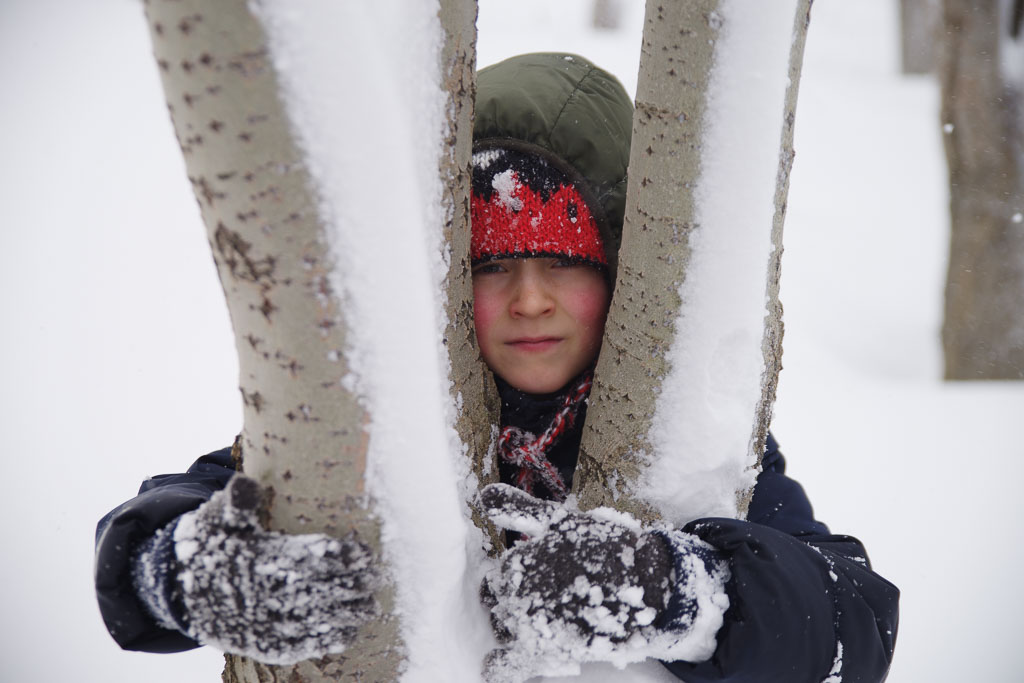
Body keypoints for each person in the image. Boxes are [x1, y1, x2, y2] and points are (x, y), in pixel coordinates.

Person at [95, 53, 899, 681]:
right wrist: (184, 572)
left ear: (623, 276)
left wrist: (675, 591)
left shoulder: (688, 430)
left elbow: (853, 624)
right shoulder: (388, 414)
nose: (529, 299)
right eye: (490, 265)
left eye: (564, 262)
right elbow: (157, 526)